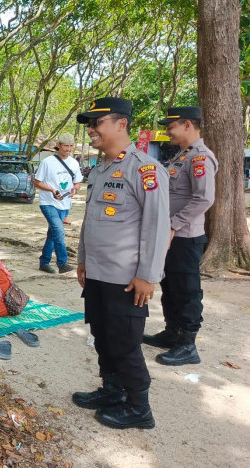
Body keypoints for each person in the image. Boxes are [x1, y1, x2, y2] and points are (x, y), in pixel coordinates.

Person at [73, 97, 170, 430]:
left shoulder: (144, 169)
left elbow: (157, 226)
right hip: (98, 273)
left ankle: (140, 408)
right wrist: (83, 259)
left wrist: (148, 275)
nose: (91, 129)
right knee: (102, 335)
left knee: (125, 343)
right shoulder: (100, 169)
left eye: (97, 123)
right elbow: (91, 221)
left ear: (121, 124)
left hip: (126, 277)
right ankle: (112, 391)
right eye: (89, 124)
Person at [142, 106, 217, 366]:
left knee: (186, 289)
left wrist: (174, 225)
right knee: (170, 286)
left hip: (185, 237)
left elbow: (204, 198)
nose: (167, 131)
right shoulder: (182, 156)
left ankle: (188, 345)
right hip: (172, 236)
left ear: (187, 125)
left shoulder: (200, 158)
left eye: (170, 126)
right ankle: (171, 333)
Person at [33, 133, 83, 274]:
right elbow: (37, 182)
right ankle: (62, 263)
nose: (68, 149)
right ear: (59, 145)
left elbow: (78, 182)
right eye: (66, 146)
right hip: (48, 203)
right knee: (59, 231)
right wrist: (52, 190)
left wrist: (75, 189)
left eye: (71, 146)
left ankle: (44, 262)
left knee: (53, 234)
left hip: (65, 204)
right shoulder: (48, 162)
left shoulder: (74, 163)